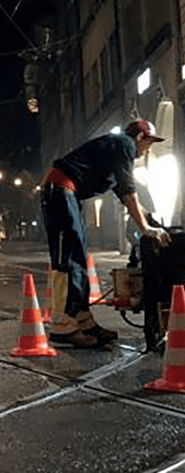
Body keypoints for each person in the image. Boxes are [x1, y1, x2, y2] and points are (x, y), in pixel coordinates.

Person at [40, 119, 171, 348]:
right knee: (67, 260)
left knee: (78, 258)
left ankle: (83, 319)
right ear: (140, 137)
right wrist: (146, 229)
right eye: (148, 143)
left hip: (66, 194)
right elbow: (129, 192)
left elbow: (125, 195)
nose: (147, 150)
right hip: (60, 191)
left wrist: (149, 220)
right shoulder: (125, 144)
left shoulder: (116, 150)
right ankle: (63, 327)